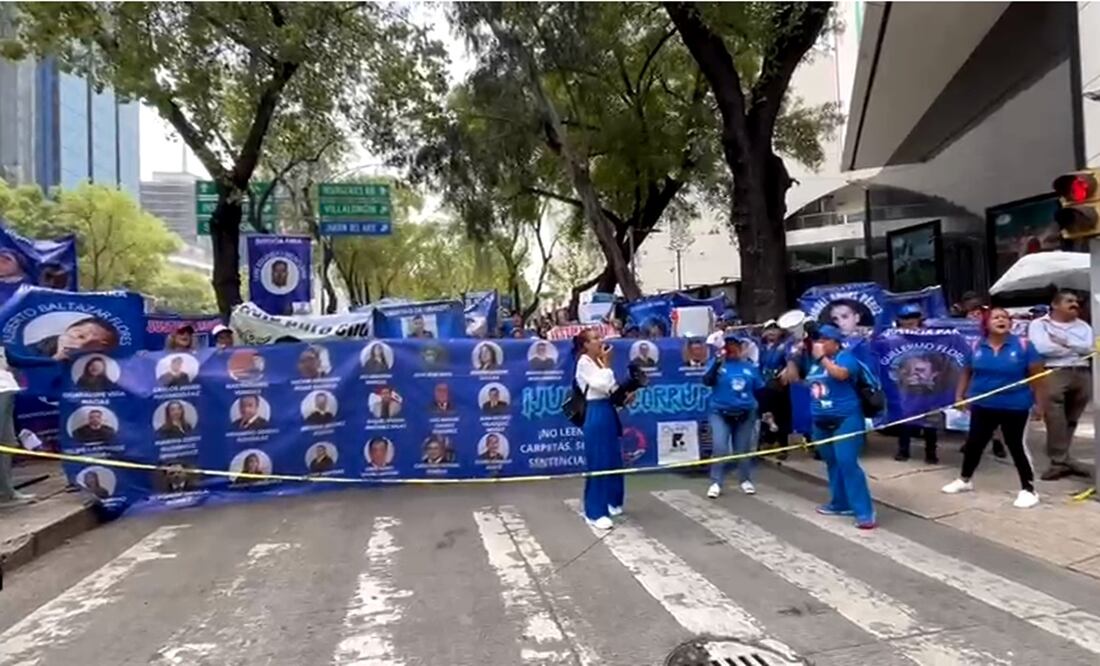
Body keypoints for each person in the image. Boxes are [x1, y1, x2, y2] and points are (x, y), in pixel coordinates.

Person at [943, 307, 1045, 508]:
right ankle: (965, 480)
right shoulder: (975, 346)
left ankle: (1029, 489)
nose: (1001, 320)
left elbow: (1038, 379)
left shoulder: (1025, 346)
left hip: (1015, 406)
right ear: (986, 324)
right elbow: (966, 372)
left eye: (1005, 317)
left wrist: (1040, 405)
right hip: (982, 404)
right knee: (974, 443)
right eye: (996, 317)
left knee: (1016, 446)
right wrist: (959, 396)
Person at [798, 324, 876, 529]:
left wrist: (822, 359)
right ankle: (840, 502)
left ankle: (864, 512)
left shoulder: (845, 357)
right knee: (831, 462)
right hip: (821, 419)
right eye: (818, 340)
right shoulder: (812, 362)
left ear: (835, 342)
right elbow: (797, 380)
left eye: (825, 340)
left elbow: (841, 375)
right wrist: (792, 357)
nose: (820, 344)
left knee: (847, 462)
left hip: (846, 418)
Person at [1028, 290, 1093, 480]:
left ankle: (1063, 459)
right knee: (1055, 418)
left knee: (1072, 419)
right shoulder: (1039, 325)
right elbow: (1042, 348)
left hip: (1081, 372)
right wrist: (1075, 348)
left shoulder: (1084, 326)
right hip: (1054, 372)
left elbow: (1089, 349)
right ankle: (1059, 461)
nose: (1075, 304)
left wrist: (1064, 342)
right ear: (1055, 305)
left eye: (1076, 301)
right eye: (1069, 301)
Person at [574, 329, 628, 530]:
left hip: (607, 409)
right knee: (598, 460)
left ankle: (613, 500)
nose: (600, 341)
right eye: (595, 339)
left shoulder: (599, 363)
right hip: (595, 411)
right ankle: (594, 512)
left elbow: (611, 388)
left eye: (600, 337)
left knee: (613, 457)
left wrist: (625, 397)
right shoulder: (584, 363)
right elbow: (601, 383)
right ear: (586, 345)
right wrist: (607, 364)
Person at [703, 332, 764, 498]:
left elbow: (759, 388)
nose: (731, 348)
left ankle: (745, 479)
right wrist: (717, 362)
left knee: (743, 449)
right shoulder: (716, 364)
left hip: (746, 413)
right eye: (728, 345)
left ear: (740, 348)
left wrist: (763, 410)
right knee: (720, 447)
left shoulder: (750, 367)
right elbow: (707, 380)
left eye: (735, 345)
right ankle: (716, 482)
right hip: (720, 412)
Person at [892, 305, 939, 464]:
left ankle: (931, 452)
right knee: (905, 418)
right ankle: (903, 450)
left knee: (931, 419)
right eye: (906, 318)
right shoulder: (894, 339)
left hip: (929, 384)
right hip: (905, 385)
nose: (910, 321)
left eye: (914, 317)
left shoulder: (932, 336)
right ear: (899, 321)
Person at [757, 320, 791, 458]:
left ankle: (783, 445)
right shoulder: (761, 347)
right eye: (768, 330)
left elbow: (793, 359)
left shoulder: (785, 346)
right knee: (764, 413)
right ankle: (768, 440)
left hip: (779, 385)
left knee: (781, 414)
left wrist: (787, 368)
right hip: (763, 384)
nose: (771, 333)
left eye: (775, 330)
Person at [36, 316, 119, 360]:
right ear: (68, 329)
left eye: (94, 345)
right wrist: (55, 361)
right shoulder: (29, 353)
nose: (81, 345)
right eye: (80, 336)